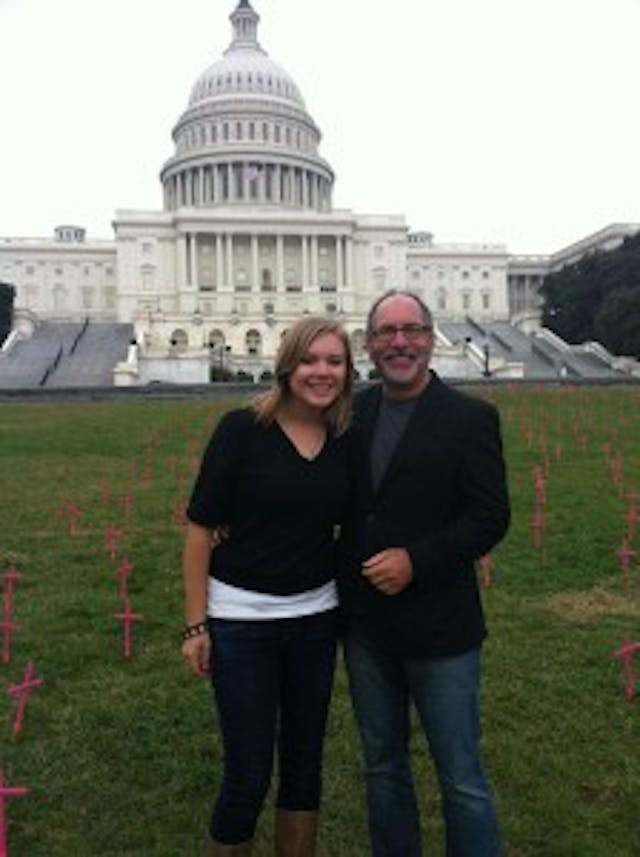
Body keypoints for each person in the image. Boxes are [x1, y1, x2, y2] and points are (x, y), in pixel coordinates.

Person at [339, 290, 510, 857]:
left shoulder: (469, 418)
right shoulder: (351, 414)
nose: (399, 342)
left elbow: (490, 516)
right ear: (369, 343)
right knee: (383, 767)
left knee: (460, 776)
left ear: (431, 338)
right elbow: (309, 484)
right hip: (367, 625)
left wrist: (418, 559)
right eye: (386, 332)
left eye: (411, 330)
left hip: (441, 628)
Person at [181, 316, 354, 857]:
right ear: (286, 366)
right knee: (249, 773)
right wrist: (196, 623)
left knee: (305, 767)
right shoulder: (241, 430)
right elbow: (200, 525)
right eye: (309, 360)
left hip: (315, 618)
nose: (321, 372)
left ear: (348, 371)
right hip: (241, 622)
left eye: (334, 361)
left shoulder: (345, 437)